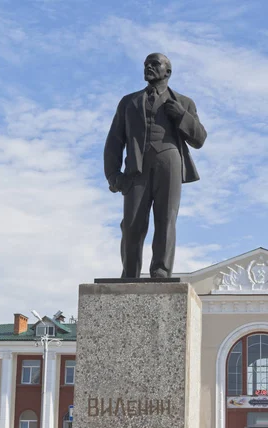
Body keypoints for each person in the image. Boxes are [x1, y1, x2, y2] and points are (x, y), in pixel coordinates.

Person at [104, 53, 207, 278]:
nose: (148, 67)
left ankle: (161, 270)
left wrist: (181, 116)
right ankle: (130, 272)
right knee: (131, 225)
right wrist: (113, 174)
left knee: (166, 220)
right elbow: (114, 140)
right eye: (146, 65)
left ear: (167, 72)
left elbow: (199, 139)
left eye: (154, 64)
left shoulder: (184, 102)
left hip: (169, 163)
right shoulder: (128, 102)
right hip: (136, 170)